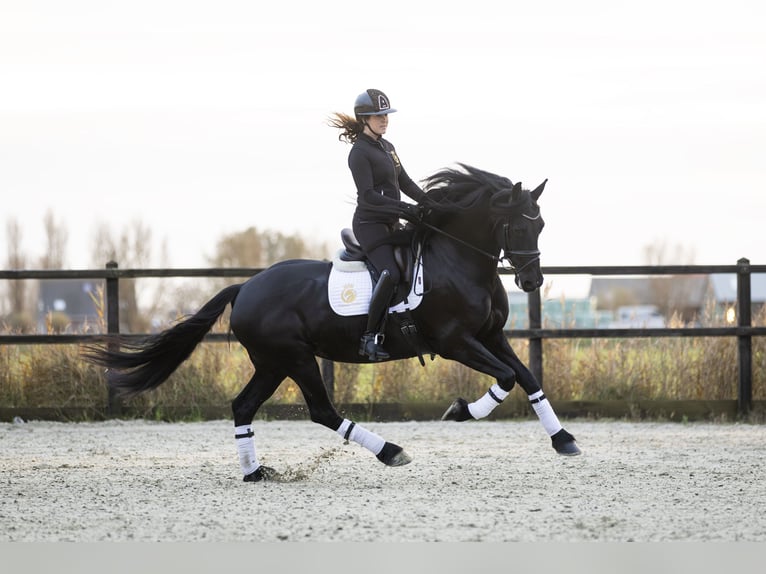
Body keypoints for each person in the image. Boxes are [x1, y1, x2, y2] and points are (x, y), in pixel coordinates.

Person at [329, 88, 426, 361]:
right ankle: (369, 337)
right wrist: (405, 208)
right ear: (364, 118)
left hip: (391, 223)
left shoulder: (388, 147)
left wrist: (430, 203)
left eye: (386, 115)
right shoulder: (358, 153)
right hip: (369, 225)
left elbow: (405, 182)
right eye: (378, 115)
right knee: (391, 273)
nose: (384, 120)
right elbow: (368, 197)